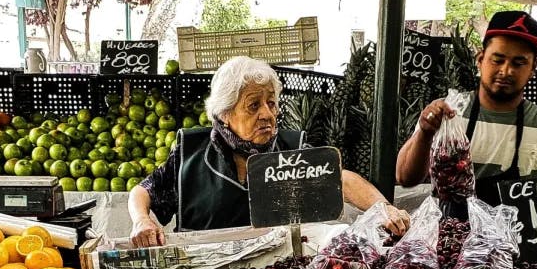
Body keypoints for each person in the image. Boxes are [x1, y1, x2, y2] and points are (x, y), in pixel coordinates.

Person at [129, 56, 409, 247]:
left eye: (272, 104)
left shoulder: (291, 149)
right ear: (225, 112)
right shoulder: (191, 152)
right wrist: (142, 220)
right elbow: (144, 191)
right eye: (254, 105)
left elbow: (341, 179)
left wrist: (383, 208)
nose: (267, 114)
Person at [395, 10, 537, 208]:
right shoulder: (447, 115)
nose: (506, 71)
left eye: (519, 63)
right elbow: (405, 177)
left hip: (515, 238)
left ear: (533, 68)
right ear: (480, 60)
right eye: (497, 60)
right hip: (451, 236)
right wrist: (425, 133)